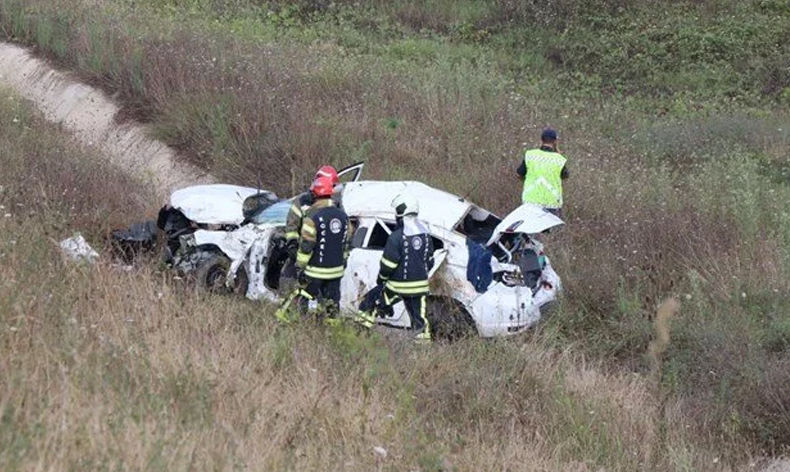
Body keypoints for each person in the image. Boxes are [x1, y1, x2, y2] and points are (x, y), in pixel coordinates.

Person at [275, 175, 351, 322]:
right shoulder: (344, 217)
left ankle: (292, 321)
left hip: (315, 271)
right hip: (336, 272)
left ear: (315, 194)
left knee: (301, 295)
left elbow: (306, 246)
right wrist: (343, 261)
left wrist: (300, 267)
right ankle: (331, 329)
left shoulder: (312, 218)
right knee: (331, 304)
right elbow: (347, 243)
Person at [360, 193, 434, 342]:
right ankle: (423, 348)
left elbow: (388, 265)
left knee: (370, 302)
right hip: (420, 287)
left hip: (397, 287)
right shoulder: (426, 235)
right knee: (420, 319)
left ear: (401, 212)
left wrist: (381, 280)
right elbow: (430, 261)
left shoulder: (396, 237)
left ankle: (361, 336)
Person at [517, 127, 568, 217]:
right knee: (550, 226)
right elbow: (565, 176)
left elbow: (519, 174)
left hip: (530, 200)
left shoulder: (530, 155)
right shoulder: (559, 159)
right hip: (552, 202)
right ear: (555, 141)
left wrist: (527, 180)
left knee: (531, 225)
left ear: (541, 140)